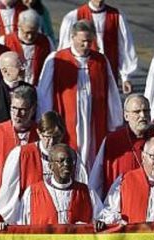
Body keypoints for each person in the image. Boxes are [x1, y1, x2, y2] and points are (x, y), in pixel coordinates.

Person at [37, 19, 122, 169]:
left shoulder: (100, 60)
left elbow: (111, 92)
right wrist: (47, 121)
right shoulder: (56, 59)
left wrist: (115, 121)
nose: (86, 45)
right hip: (67, 120)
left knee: (94, 157)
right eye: (83, 41)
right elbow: (45, 92)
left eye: (90, 41)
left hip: (94, 121)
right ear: (73, 37)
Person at [0, 111, 88, 223]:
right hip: (30, 217)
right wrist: (2, 221)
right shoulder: (21, 155)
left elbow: (81, 191)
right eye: (47, 137)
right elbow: (8, 195)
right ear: (39, 133)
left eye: (56, 137)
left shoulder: (71, 156)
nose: (51, 142)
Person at [89, 94, 154, 197]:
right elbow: (96, 179)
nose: (142, 116)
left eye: (146, 111)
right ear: (126, 116)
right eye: (137, 112)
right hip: (121, 201)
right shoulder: (112, 141)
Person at [57, 0, 137, 94]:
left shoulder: (117, 16)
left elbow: (125, 47)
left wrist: (126, 77)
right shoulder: (73, 16)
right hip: (81, 73)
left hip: (108, 73)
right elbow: (65, 48)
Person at [2, 9, 52, 85]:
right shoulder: (5, 42)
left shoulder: (46, 42)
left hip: (37, 89)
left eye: (34, 33)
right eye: (27, 33)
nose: (30, 37)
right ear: (19, 26)